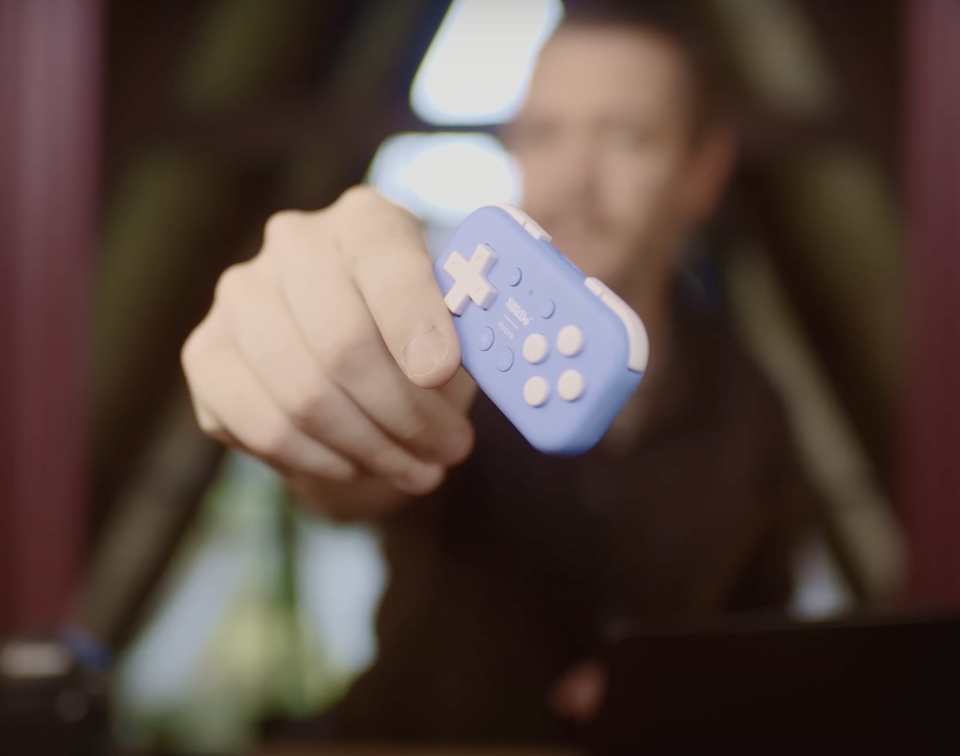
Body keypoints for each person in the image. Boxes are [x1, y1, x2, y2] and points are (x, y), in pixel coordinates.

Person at [181, 1, 819, 745]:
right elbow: (345, 488)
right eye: (543, 134)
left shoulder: (753, 404)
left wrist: (679, 688)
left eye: (627, 136)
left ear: (702, 173)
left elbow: (762, 636)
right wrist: (301, 387)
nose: (575, 180)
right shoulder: (441, 335)